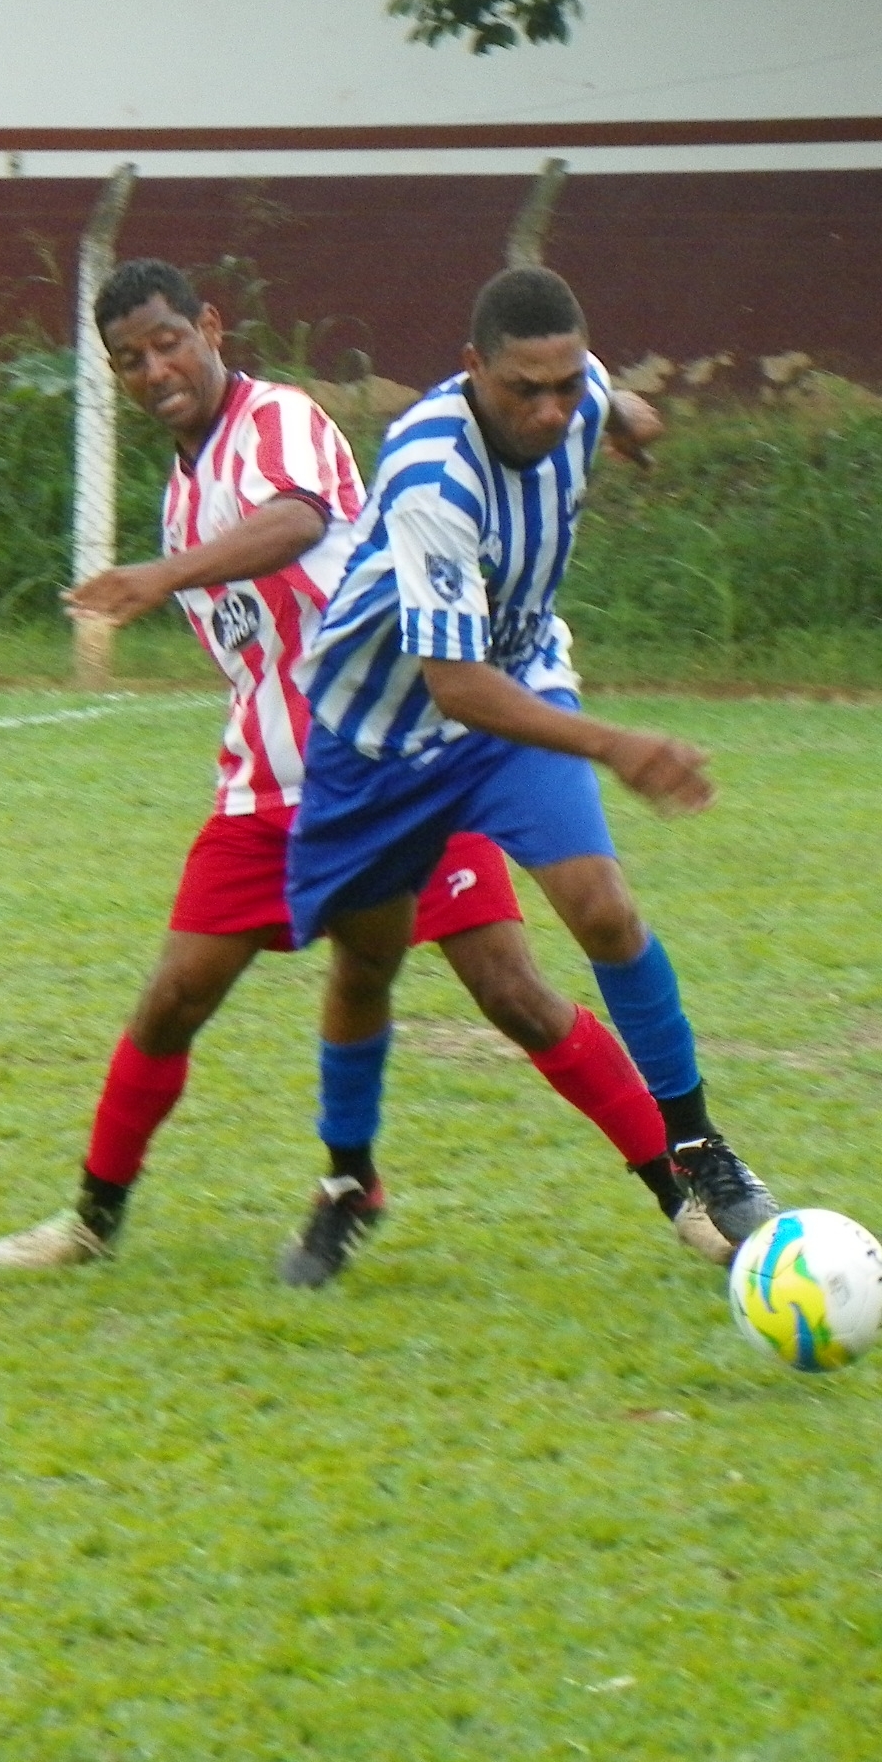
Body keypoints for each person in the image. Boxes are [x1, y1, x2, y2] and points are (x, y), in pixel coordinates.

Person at [0, 259, 710, 1277]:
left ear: (211, 328)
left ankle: (691, 1196)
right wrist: (615, 407)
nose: (156, 369)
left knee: (513, 992)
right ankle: (97, 1221)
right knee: (175, 998)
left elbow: (300, 517)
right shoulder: (182, 497)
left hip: (398, 759)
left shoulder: (276, 420)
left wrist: (162, 576)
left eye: (168, 342)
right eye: (130, 359)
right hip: (267, 784)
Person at [278, 263, 780, 1286]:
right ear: (473, 368)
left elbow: (599, 391)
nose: (550, 411)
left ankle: (698, 1148)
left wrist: (624, 415)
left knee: (603, 911)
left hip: (514, 689)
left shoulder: (574, 390)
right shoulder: (433, 473)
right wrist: (618, 743)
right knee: (366, 965)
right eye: (524, 391)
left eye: (565, 387)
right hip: (380, 732)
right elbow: (452, 685)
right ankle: (348, 1183)